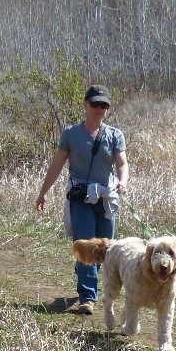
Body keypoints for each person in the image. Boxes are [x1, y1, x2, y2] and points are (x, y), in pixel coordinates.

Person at [36, 85, 129, 315]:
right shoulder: (71, 134)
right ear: (85, 105)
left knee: (106, 247)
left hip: (106, 198)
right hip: (80, 198)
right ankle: (87, 297)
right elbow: (56, 165)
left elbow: (122, 164)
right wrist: (42, 192)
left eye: (104, 105)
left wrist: (122, 181)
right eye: (95, 104)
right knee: (87, 244)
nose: (100, 108)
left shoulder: (115, 134)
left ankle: (102, 288)